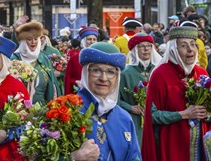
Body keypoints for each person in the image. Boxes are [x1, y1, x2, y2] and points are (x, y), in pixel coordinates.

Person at [142, 22, 211, 161]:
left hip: (200, 146)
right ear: (174, 49)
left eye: (193, 44)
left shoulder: (201, 73)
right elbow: (152, 116)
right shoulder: (160, 74)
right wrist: (183, 114)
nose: (190, 50)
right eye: (184, 46)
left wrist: (207, 113)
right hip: (172, 145)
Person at [71, 42, 141, 160]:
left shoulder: (124, 118)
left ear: (117, 77)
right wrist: (73, 157)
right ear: (86, 73)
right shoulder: (65, 112)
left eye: (110, 72)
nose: (103, 78)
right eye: (96, 70)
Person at [118, 33, 162, 145]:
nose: (146, 49)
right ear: (135, 50)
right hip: (135, 122)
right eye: (142, 46)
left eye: (149, 46)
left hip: (158, 121)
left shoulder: (158, 70)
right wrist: (131, 107)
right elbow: (115, 100)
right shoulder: (125, 73)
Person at [11, 21, 61, 103]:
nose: (33, 42)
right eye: (29, 39)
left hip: (42, 110)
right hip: (18, 110)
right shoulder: (14, 59)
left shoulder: (44, 59)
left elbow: (52, 85)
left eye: (35, 39)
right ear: (23, 41)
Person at [64, 27, 98, 95]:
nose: (92, 41)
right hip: (78, 96)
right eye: (89, 39)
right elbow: (68, 79)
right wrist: (76, 82)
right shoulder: (74, 59)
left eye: (94, 39)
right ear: (84, 41)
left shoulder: (99, 59)